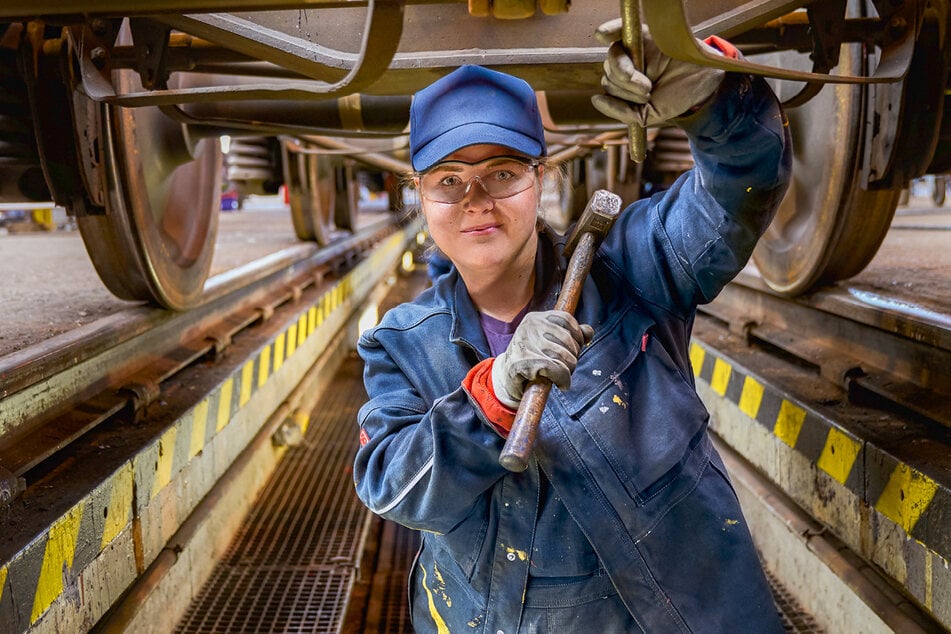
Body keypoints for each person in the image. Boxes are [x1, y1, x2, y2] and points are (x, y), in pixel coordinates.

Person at [353, 18, 792, 634]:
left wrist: (712, 102)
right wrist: (496, 393)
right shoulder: (401, 343)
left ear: (542, 177)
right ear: (419, 197)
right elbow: (392, 488)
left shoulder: (639, 270)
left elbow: (739, 192)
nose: (475, 198)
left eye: (503, 172)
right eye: (448, 181)